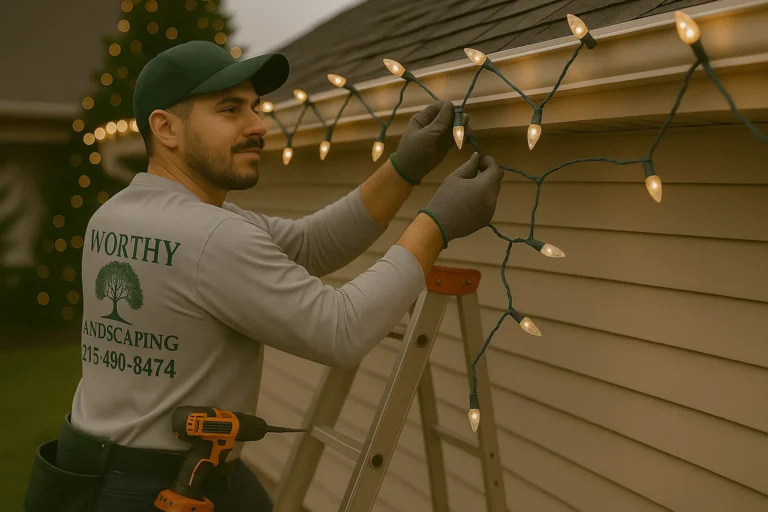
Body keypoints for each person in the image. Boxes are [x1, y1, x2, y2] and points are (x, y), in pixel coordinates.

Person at [22, 40, 503, 512]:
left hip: (92, 469)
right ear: (166, 128)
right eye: (230, 110)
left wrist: (403, 168)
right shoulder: (212, 236)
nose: (258, 125)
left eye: (255, 107)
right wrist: (436, 226)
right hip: (159, 489)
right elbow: (341, 330)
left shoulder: (115, 216)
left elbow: (311, 244)